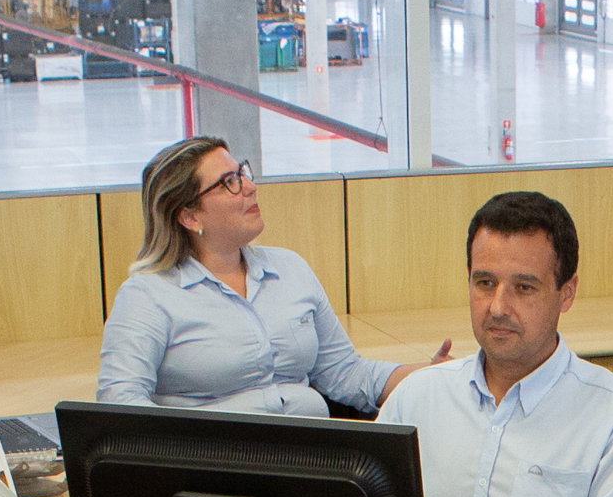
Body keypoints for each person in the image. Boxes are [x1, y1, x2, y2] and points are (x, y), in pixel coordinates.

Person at [98, 137, 443, 416]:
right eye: (229, 182)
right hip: (216, 473)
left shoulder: (290, 269)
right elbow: (120, 401)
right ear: (189, 216)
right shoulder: (148, 294)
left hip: (313, 457)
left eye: (243, 173)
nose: (250, 187)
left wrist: (431, 376)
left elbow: (344, 373)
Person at [377, 189, 613, 497]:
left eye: (524, 288)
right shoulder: (415, 399)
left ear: (566, 294)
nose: (497, 307)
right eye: (485, 282)